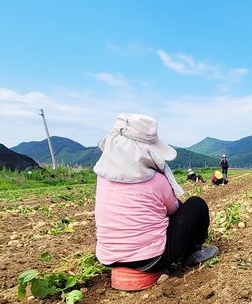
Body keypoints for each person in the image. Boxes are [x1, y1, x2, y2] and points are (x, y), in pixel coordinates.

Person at [93, 113, 217, 273]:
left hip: (108, 258)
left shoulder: (102, 177)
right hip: (152, 260)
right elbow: (174, 210)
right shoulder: (156, 179)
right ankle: (191, 253)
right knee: (196, 204)